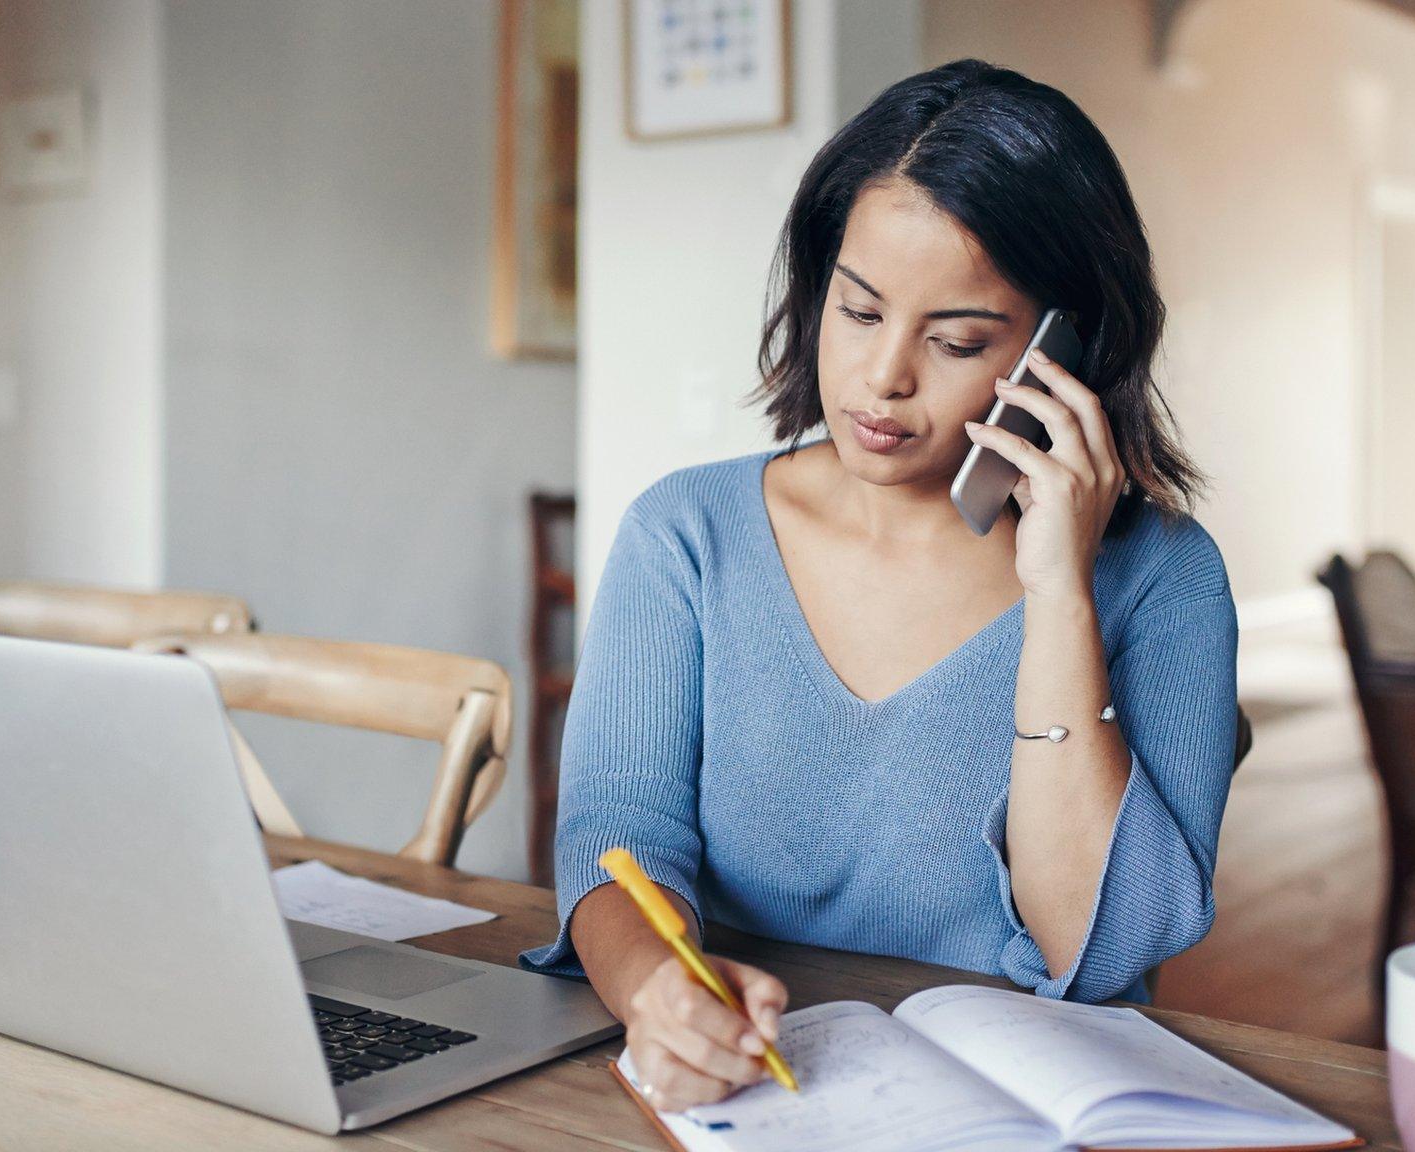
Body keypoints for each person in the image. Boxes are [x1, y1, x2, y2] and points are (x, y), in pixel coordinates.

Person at [519, 59, 1237, 1112]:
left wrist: (1058, 596)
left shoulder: (1164, 579)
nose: (883, 377)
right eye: (857, 313)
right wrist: (657, 991)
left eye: (955, 341)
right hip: (742, 1096)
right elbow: (616, 830)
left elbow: (1098, 949)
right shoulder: (685, 535)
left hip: (1018, 1113)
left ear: (1064, 347)